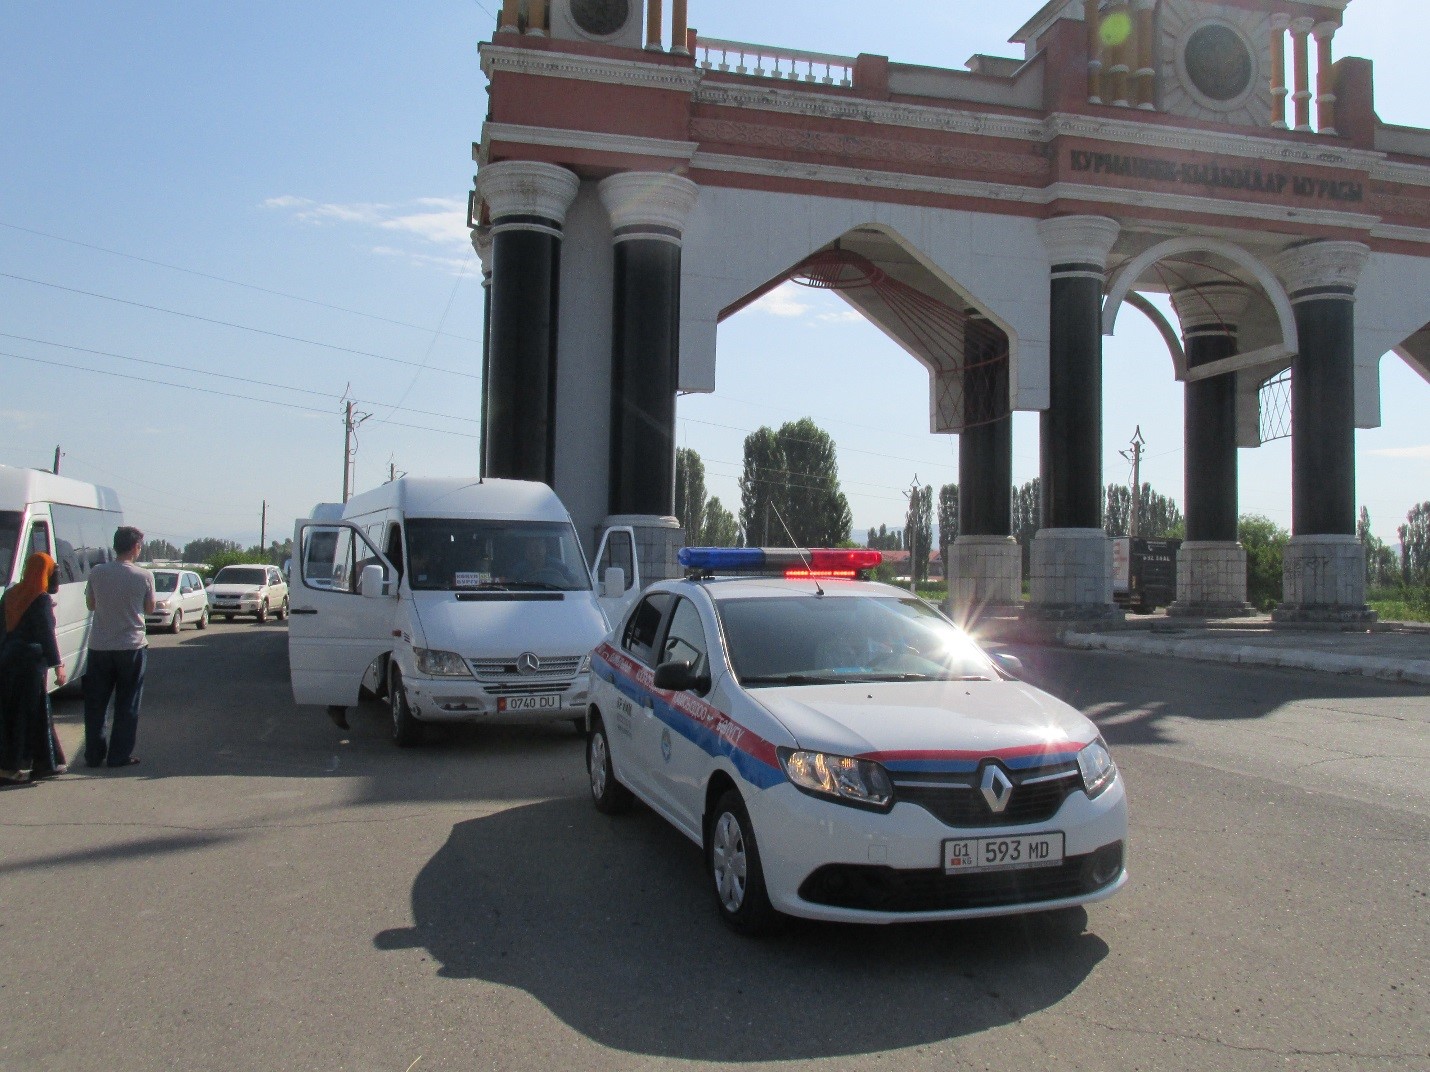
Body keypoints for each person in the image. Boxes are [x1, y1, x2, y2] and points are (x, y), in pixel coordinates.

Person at [82, 526, 155, 769]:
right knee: (128, 702)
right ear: (135, 547)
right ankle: (118, 755)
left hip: (100, 646)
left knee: (96, 704)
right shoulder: (144, 576)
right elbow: (150, 608)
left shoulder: (97, 572)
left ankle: (94, 754)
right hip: (131, 646)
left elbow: (91, 604)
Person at [0, 552, 68, 784]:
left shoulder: (11, 594)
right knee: (30, 714)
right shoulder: (40, 599)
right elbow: (46, 635)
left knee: (13, 713)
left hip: (8, 660)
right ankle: (13, 768)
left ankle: (44, 763)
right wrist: (58, 665)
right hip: (30, 664)